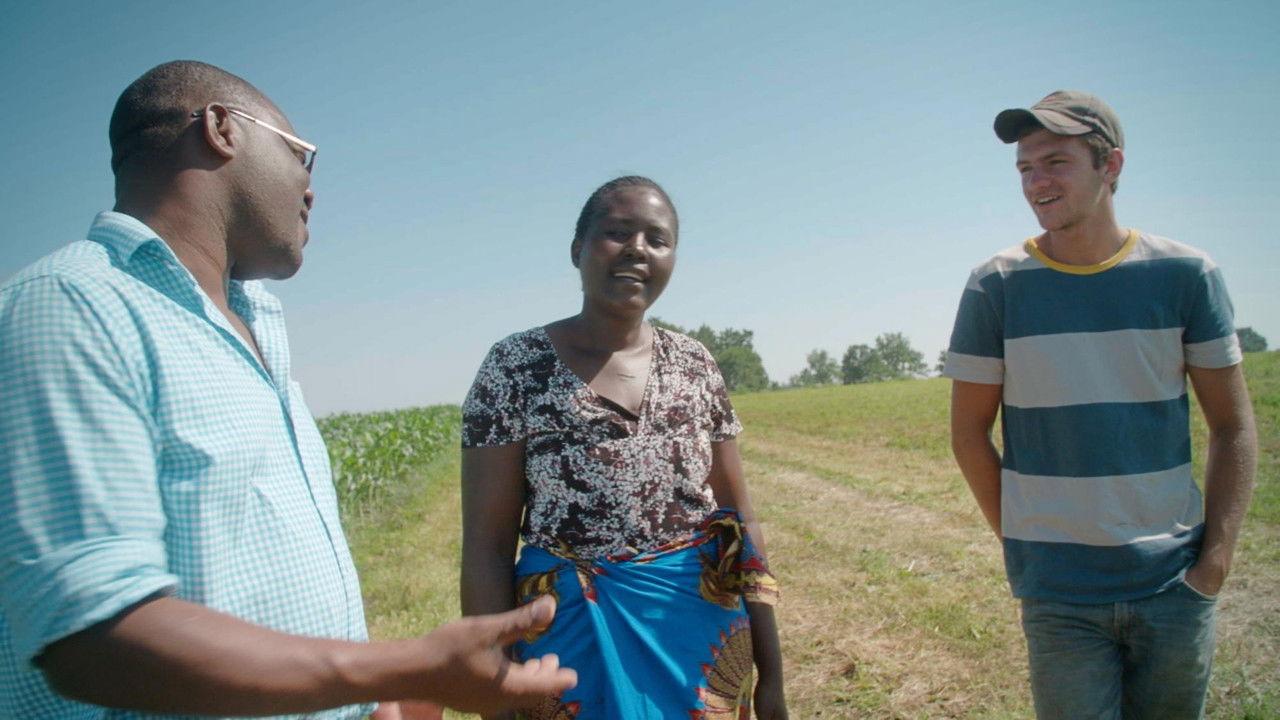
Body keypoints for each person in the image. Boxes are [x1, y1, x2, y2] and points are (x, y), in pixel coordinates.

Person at [0, 60, 575, 719]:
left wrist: (373, 700)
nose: (311, 189)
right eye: (303, 157)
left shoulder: (250, 326)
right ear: (221, 128)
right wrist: (405, 668)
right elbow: (93, 638)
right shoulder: (73, 305)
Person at [944, 90, 1258, 719]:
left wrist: (1214, 564)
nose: (1036, 182)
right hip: (1059, 596)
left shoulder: (1185, 275)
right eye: (1025, 169)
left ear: (1110, 166)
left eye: (1055, 162)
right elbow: (968, 434)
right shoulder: (995, 285)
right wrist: (1023, 544)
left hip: (1174, 585)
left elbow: (1233, 426)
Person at [460, 176, 787, 719]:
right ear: (577, 250)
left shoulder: (695, 364)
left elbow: (740, 523)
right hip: (568, 639)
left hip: (698, 639)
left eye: (657, 239)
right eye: (616, 232)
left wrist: (772, 674)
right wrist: (495, 688)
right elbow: (488, 547)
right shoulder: (513, 368)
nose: (638, 248)